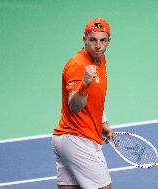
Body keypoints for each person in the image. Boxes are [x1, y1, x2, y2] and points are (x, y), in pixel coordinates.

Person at [52, 18, 113, 189]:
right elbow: (74, 105)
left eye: (103, 40)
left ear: (109, 41)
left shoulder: (100, 59)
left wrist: (103, 121)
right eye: (93, 40)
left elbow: (96, 97)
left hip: (66, 139)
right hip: (78, 139)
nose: (98, 45)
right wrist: (85, 83)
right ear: (84, 39)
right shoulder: (78, 65)